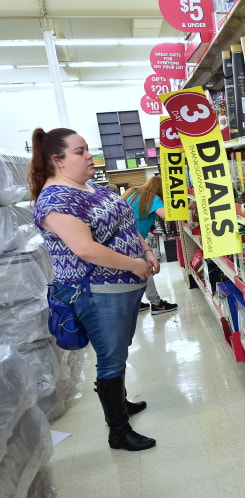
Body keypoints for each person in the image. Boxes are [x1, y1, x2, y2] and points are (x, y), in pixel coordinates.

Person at [29, 127, 156, 452]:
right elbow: (85, 249)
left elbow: (125, 220)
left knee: (119, 348)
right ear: (58, 160)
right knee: (110, 357)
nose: (90, 156)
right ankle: (118, 430)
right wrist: (133, 265)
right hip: (97, 291)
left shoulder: (88, 186)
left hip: (123, 287)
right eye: (81, 151)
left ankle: (121, 402)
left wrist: (146, 251)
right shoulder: (55, 200)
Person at [122, 175, 178, 315]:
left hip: (121, 239)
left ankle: (134, 303)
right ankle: (157, 304)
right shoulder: (153, 198)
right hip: (134, 240)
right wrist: (188, 207)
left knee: (130, 271)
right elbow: (169, 216)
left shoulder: (133, 191)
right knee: (146, 269)